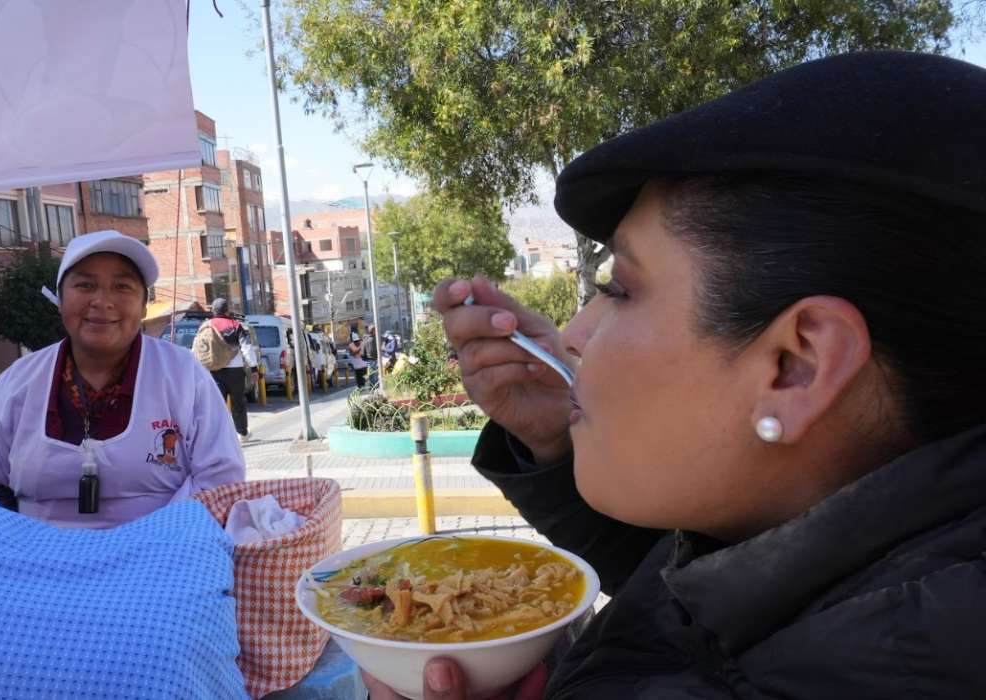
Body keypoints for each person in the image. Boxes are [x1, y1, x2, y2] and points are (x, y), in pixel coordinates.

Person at [364, 52, 986, 699]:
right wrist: (557, 439)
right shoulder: (888, 568)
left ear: (797, 366)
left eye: (619, 289)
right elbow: (684, 594)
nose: (573, 335)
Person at [0, 230, 245, 528]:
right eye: (85, 285)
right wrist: (26, 542)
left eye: (122, 286)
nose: (102, 301)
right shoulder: (16, 383)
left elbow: (221, 478)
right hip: (39, 553)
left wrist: (151, 541)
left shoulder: (184, 375)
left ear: (143, 305)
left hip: (164, 550)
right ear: (60, 299)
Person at [201, 298, 258, 443]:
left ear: (213, 311)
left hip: (213, 370)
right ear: (227, 310)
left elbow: (198, 349)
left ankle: (218, 437)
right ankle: (242, 433)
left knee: (216, 405)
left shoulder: (205, 326)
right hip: (235, 371)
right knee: (238, 403)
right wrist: (253, 368)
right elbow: (247, 348)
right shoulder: (235, 325)